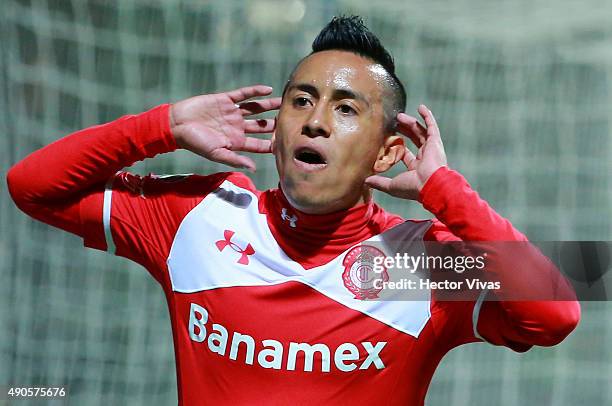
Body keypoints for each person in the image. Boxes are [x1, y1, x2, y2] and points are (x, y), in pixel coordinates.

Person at [7, 16, 580, 406]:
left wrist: (445, 190)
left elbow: (556, 315)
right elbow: (31, 186)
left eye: (345, 107)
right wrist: (160, 127)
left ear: (386, 150)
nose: (315, 120)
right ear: (278, 130)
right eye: (301, 100)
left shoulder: (419, 260)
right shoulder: (202, 215)